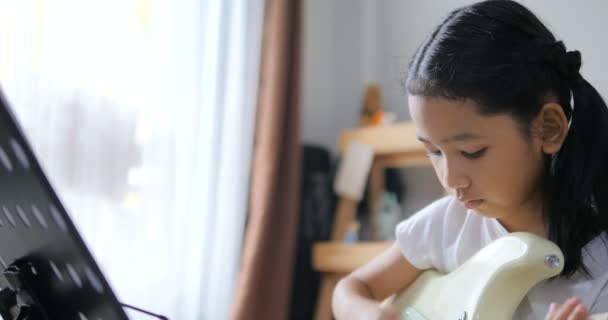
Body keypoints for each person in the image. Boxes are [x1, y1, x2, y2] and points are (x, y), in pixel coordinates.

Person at [331, 1, 608, 319]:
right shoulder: (446, 226)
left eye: (471, 152)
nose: (450, 180)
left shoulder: (600, 265)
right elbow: (351, 288)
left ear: (548, 128)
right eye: (433, 152)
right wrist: (367, 314)